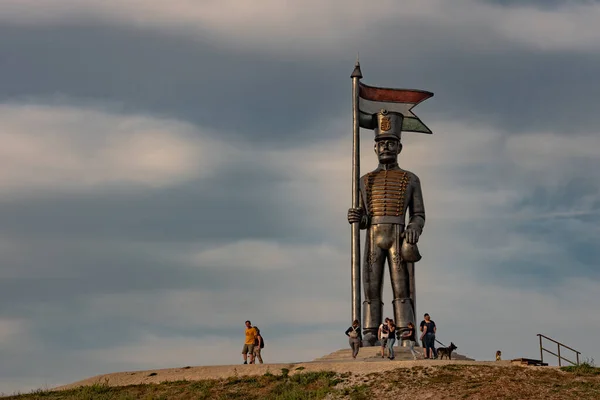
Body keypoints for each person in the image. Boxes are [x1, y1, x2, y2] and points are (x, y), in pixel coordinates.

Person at [347, 110, 426, 345]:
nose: (386, 148)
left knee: (401, 289)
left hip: (397, 236)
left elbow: (419, 214)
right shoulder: (364, 181)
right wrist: (356, 217)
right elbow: (363, 219)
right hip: (373, 236)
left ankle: (405, 331)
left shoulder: (410, 179)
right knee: (371, 288)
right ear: (374, 148)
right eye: (381, 143)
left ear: (399, 147)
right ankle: (370, 331)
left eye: (391, 143)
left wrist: (414, 228)